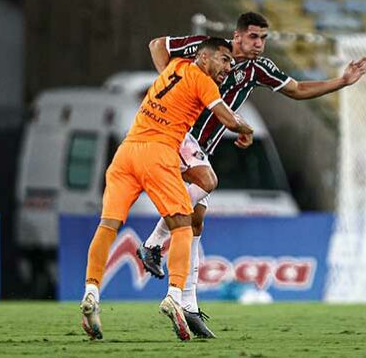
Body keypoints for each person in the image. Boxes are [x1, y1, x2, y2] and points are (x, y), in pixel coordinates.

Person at [137, 12, 366, 338]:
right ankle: (153, 247)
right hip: (176, 135)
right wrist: (171, 84)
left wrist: (341, 81)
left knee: (195, 220)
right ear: (237, 36)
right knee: (201, 193)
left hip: (202, 147)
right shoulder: (204, 50)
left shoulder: (257, 69)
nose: (259, 44)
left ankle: (186, 303)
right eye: (253, 37)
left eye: (263, 38)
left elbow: (299, 88)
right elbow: (158, 45)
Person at [80, 37, 254, 342]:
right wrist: (246, 129)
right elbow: (227, 118)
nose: (229, 66)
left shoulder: (175, 66)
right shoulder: (203, 81)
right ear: (204, 57)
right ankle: (175, 295)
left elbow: (157, 46)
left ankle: (91, 292)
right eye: (224, 59)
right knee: (183, 225)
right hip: (159, 154)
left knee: (108, 226)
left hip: (126, 153)